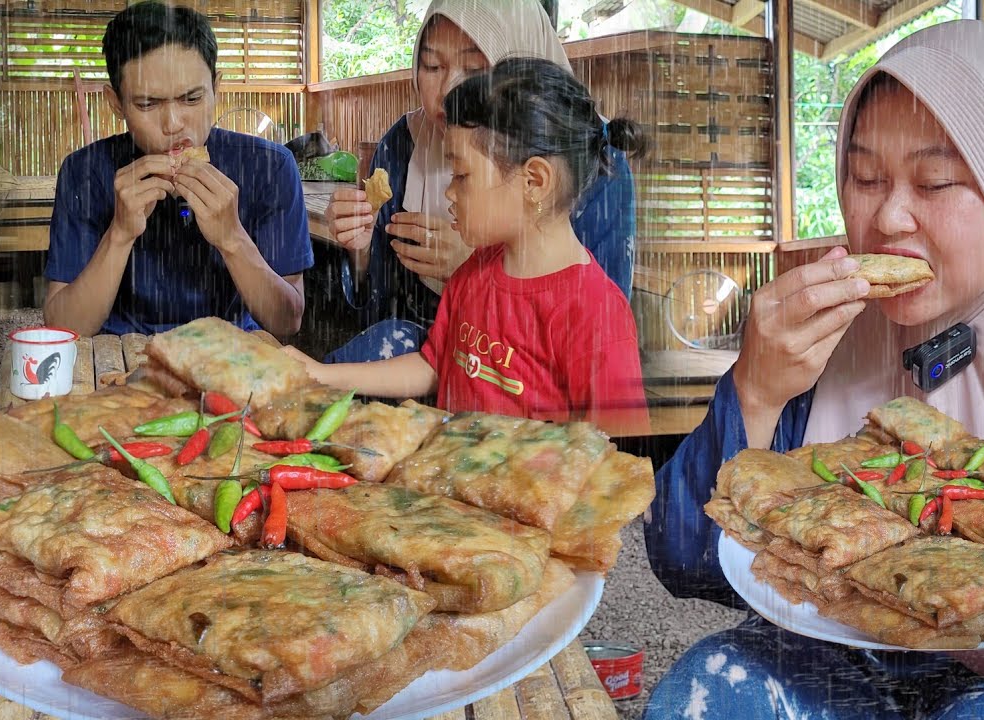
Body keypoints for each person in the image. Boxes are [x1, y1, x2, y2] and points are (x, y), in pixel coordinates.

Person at [642, 20, 984, 719]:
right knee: (711, 685)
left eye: (934, 181)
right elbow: (685, 562)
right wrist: (754, 389)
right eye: (865, 177)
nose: (888, 217)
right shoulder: (822, 339)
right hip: (842, 656)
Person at [287, 57, 650, 437]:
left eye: (461, 175)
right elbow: (433, 365)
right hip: (449, 487)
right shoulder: (475, 272)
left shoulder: (593, 314)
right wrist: (320, 374)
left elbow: (617, 459)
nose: (449, 192)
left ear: (534, 182)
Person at [322, 0, 637, 363]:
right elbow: (378, 311)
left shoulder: (591, 158)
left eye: (475, 69)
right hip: (414, 368)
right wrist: (360, 247)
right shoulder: (403, 145)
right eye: (432, 65)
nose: (446, 93)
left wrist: (477, 272)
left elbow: (597, 340)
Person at [43, 1, 312, 338]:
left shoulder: (270, 167)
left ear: (216, 88)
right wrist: (120, 233)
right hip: (120, 354)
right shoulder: (84, 172)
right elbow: (62, 328)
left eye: (191, 99)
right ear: (116, 103)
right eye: (147, 104)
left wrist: (232, 238)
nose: (173, 124)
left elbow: (287, 321)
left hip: (232, 354)